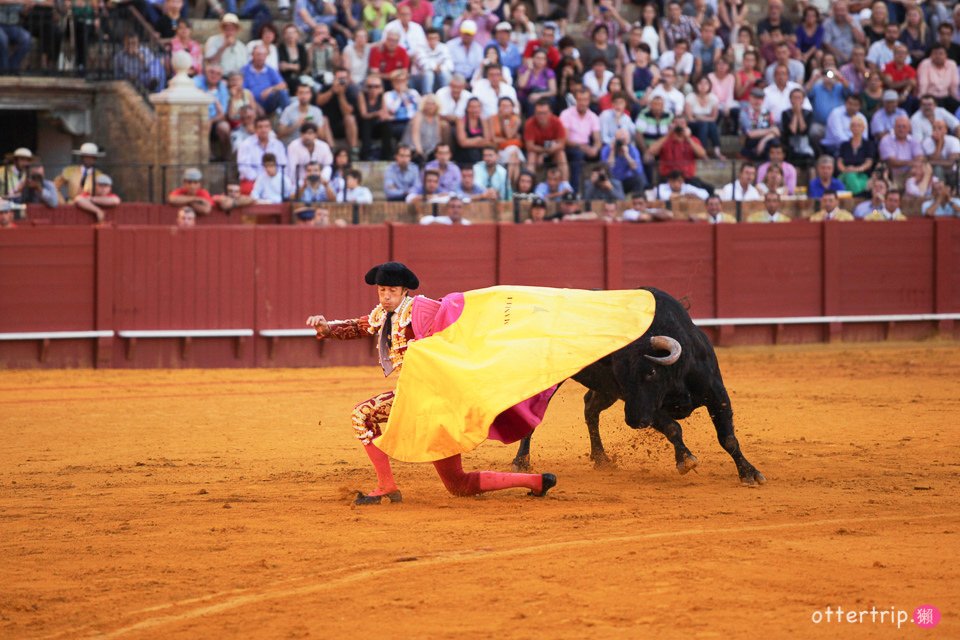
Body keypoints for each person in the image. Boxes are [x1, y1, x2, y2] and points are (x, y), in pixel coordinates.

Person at [306, 262, 556, 504]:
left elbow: (456, 330)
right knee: (458, 484)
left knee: (362, 415)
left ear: (404, 291)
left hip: (433, 396)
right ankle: (535, 482)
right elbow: (360, 327)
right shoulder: (384, 314)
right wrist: (327, 328)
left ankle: (386, 486)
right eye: (382, 290)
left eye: (392, 291)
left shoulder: (423, 310)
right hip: (429, 401)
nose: (385, 296)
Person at [646, 116, 710, 192]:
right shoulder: (665, 139)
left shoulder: (693, 139)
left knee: (709, 190)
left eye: (682, 123)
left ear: (686, 125)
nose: (679, 126)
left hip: (687, 178)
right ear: (672, 125)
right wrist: (668, 134)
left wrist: (688, 138)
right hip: (668, 178)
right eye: (676, 123)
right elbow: (651, 151)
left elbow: (702, 154)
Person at [237, 116, 288, 193]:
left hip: (274, 179)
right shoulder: (246, 144)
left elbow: (283, 165)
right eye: (260, 127)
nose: (263, 130)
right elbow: (244, 167)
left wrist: (273, 178)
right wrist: (261, 180)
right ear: (255, 129)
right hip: (253, 180)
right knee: (248, 189)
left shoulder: (278, 145)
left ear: (270, 128)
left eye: (266, 127)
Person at [524, 98, 569, 181]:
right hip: (537, 152)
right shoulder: (529, 123)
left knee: (561, 153)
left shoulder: (557, 122)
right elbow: (529, 146)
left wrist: (547, 152)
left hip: (552, 151)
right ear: (535, 113)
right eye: (539, 113)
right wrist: (543, 152)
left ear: (550, 113)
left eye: (544, 113)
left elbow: (562, 144)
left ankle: (565, 184)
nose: (541, 116)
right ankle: (530, 186)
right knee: (531, 155)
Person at [243, 44, 290, 116]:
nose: (261, 58)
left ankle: (287, 118)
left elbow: (283, 85)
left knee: (282, 93)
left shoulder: (270, 70)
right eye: (258, 55)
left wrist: (270, 89)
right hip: (250, 103)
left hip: (268, 102)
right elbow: (243, 91)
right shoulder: (244, 71)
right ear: (252, 55)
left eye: (263, 55)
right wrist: (255, 105)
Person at [879, 115, 925, 185]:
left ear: (909, 129)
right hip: (894, 173)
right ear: (894, 128)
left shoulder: (913, 141)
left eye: (904, 127)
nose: (901, 129)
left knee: (926, 167)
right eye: (899, 126)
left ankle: (919, 193)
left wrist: (914, 164)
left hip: (911, 172)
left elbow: (920, 157)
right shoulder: (886, 140)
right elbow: (892, 162)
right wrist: (910, 163)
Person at [287, 122, 334, 187]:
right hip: (300, 180)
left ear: (315, 134)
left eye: (310, 133)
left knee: (328, 168)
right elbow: (292, 168)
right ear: (301, 135)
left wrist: (323, 179)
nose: (306, 136)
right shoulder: (293, 146)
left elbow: (328, 164)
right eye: (304, 133)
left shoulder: (324, 146)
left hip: (319, 180)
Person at [600, 128, 645, 195]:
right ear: (615, 139)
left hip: (626, 180)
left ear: (628, 140)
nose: (621, 143)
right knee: (602, 180)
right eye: (620, 140)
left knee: (639, 179)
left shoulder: (633, 150)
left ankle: (637, 200)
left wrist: (627, 155)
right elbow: (605, 169)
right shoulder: (607, 149)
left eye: (624, 140)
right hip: (611, 181)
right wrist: (612, 151)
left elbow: (638, 171)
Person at [0, 1, 31, 75]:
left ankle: (13, 66)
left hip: (13, 26)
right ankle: (4, 69)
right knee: (3, 39)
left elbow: (23, 12)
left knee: (26, 38)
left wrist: (27, 8)